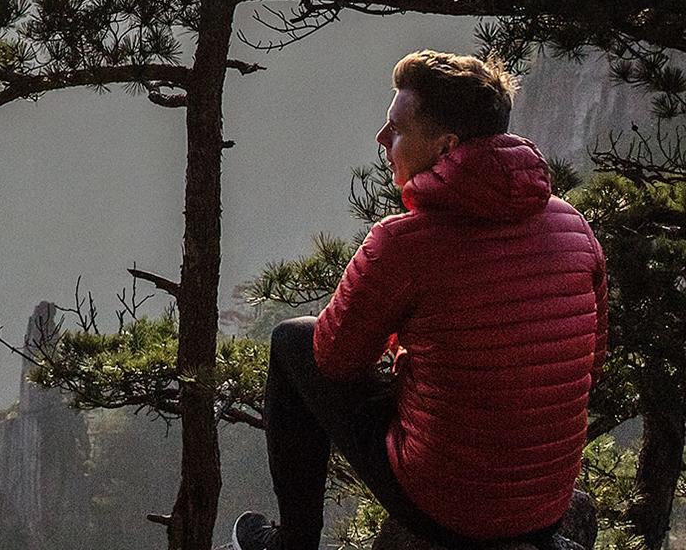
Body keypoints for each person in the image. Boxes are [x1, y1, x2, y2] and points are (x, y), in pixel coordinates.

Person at [233, 50, 608, 550]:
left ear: (445, 146)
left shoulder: (406, 241)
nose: (382, 140)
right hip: (543, 511)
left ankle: (293, 542)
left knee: (292, 342)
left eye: (397, 129)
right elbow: (593, 361)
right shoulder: (573, 226)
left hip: (449, 510)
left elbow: (335, 361)